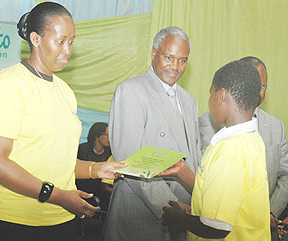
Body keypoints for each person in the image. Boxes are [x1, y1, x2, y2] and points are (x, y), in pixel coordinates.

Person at [0, 2, 126, 241]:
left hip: (63, 220)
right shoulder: (9, 85)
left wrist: (95, 169)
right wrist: (57, 195)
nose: (67, 50)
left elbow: (58, 160)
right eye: (60, 41)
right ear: (36, 38)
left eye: (71, 41)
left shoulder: (65, 92)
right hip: (17, 223)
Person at [101, 26, 202, 241]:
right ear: (154, 54)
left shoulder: (189, 101)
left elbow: (193, 156)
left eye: (182, 60)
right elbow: (129, 161)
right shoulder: (131, 90)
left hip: (182, 216)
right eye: (169, 57)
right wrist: (171, 206)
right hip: (143, 212)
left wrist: (198, 202)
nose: (175, 66)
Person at [162, 60, 271, 240]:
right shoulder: (252, 137)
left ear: (221, 95)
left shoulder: (230, 150)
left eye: (211, 93)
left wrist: (182, 220)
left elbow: (216, 228)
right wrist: (197, 211)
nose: (210, 100)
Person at [198, 56, 288, 240]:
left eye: (262, 86)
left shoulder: (232, 146)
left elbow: (215, 227)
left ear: (221, 95)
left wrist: (268, 212)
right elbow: (213, 186)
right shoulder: (217, 128)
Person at [76, 122, 113, 211]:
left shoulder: (110, 152)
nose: (110, 138)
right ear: (97, 136)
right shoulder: (82, 149)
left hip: (101, 191)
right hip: (81, 190)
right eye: (107, 135)